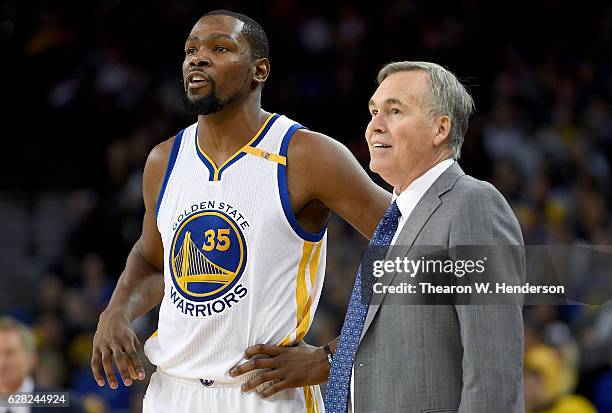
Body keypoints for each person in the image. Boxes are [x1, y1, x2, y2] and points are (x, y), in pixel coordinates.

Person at [90, 9, 390, 413]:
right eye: (191, 49)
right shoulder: (164, 160)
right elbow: (151, 258)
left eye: (219, 47)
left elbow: (421, 244)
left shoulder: (307, 154)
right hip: (170, 393)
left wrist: (332, 358)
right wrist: (116, 310)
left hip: (264, 393)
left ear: (259, 70)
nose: (197, 58)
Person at [233, 61, 526, 412]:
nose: (375, 126)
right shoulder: (395, 220)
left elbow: (493, 369)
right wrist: (327, 358)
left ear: (440, 128)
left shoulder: (473, 205)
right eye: (373, 112)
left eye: (395, 111)